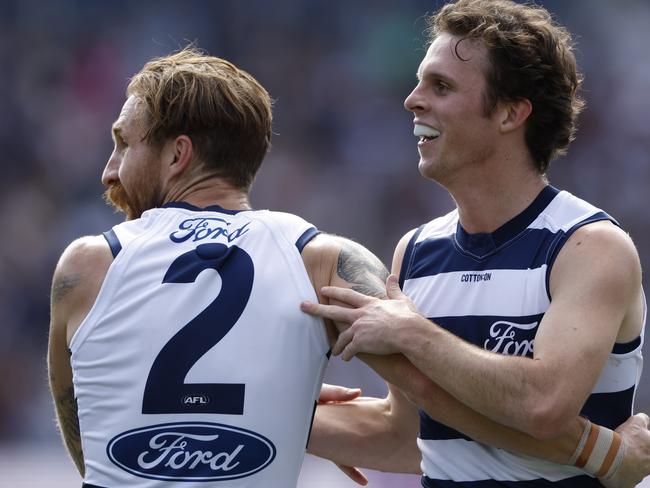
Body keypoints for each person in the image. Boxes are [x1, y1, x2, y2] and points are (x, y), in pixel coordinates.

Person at [302, 0, 649, 487]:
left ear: (510, 113)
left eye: (440, 86)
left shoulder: (589, 247)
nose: (412, 99)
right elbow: (407, 438)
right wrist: (275, 415)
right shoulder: (417, 251)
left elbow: (543, 406)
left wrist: (413, 333)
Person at [46, 47, 392, 488]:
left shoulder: (88, 265)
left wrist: (271, 412)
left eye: (123, 145)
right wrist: (276, 414)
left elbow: (93, 442)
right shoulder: (323, 261)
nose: (109, 172)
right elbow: (414, 435)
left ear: (177, 156)